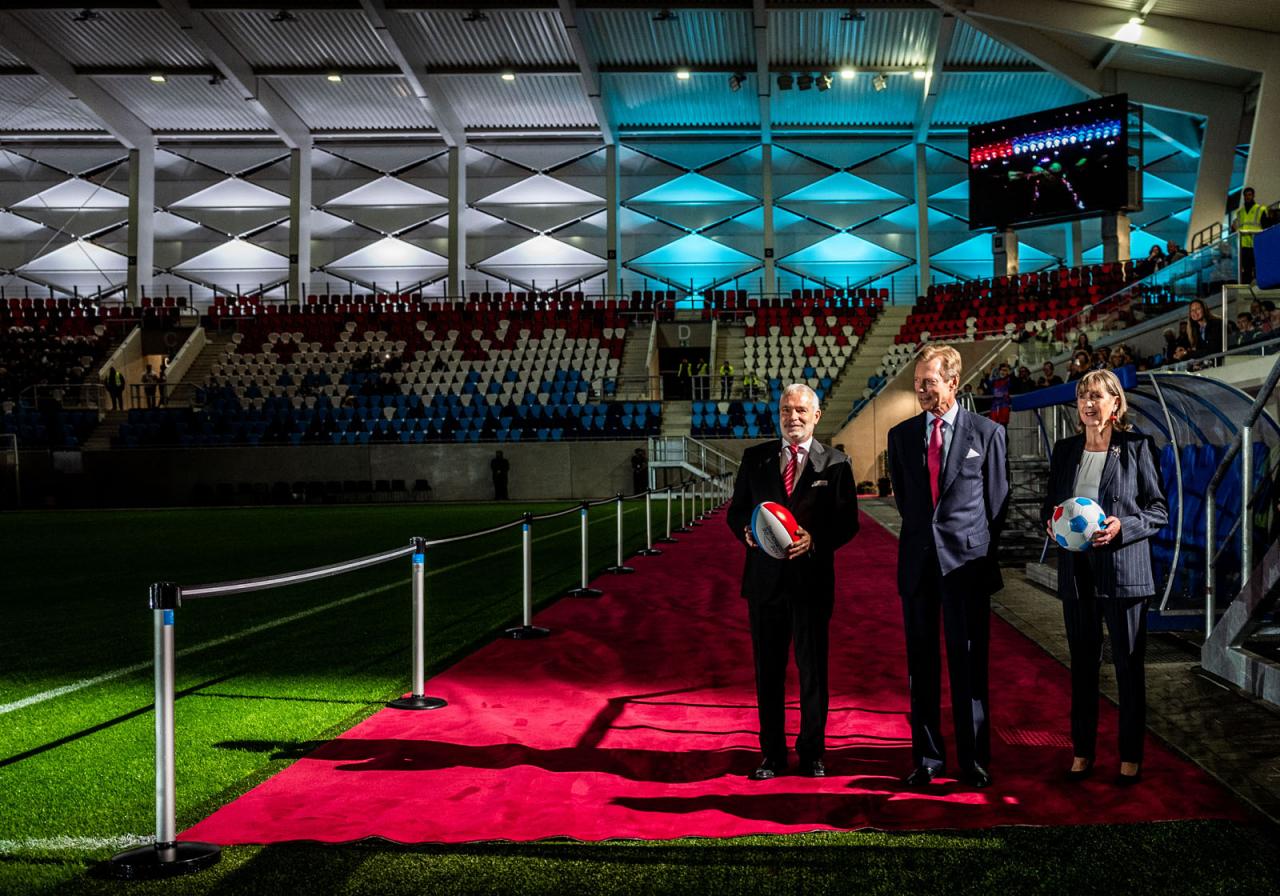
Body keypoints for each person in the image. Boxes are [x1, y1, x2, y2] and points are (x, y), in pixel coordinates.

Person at [887, 345, 1009, 789]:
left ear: (953, 383)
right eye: (917, 381)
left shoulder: (988, 434)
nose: (920, 389)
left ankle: (973, 760)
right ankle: (928, 759)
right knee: (922, 668)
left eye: (929, 382)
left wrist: (971, 545)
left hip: (968, 569)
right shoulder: (900, 437)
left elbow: (997, 504)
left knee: (970, 666)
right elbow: (906, 501)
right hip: (918, 569)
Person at [1040, 369, 1168, 787]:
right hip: (1078, 575)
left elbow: (1157, 511)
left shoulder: (1136, 447)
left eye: (1097, 396)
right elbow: (1051, 506)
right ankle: (1082, 752)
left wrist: (1122, 527)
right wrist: (1051, 524)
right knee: (1082, 667)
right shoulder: (1065, 451)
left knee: (1129, 668)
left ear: (1116, 404)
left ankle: (1130, 756)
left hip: (1124, 573)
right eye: (1082, 396)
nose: (1088, 403)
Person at [726, 383, 859, 780]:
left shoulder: (835, 463)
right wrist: (747, 533)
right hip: (764, 584)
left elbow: (848, 522)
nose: (793, 417)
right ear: (778, 414)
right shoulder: (755, 459)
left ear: (817, 416)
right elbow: (736, 513)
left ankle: (812, 753)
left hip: (811, 584)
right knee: (768, 672)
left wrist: (816, 539)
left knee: (812, 672)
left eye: (801, 410)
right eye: (786, 410)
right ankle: (772, 754)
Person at [1231, 186, 1268, 283]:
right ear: (1244, 197)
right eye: (1246, 195)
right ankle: (1248, 286)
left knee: (1258, 266)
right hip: (1243, 245)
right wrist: (1233, 228)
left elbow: (1266, 226)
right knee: (1246, 268)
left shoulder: (1260, 209)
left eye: (1250, 195)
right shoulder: (1240, 212)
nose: (1248, 197)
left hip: (1257, 243)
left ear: (1253, 196)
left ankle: (1260, 284)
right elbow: (1236, 227)